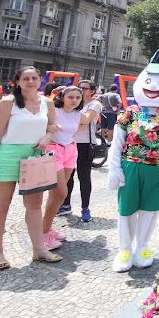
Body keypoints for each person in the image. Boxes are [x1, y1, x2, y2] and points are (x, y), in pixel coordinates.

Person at [108, 48, 159, 272]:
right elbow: (117, 141)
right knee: (126, 208)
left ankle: (142, 246)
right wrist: (114, 168)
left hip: (157, 169)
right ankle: (124, 248)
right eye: (149, 80)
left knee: (150, 209)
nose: (152, 86)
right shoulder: (130, 112)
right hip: (130, 166)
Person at [0, 66, 61, 269]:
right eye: (26, 78)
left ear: (40, 80)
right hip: (8, 155)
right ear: (18, 81)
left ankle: (39, 249)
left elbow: (52, 126)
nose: (31, 81)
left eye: (34, 78)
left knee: (34, 206)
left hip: (35, 155)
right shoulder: (9, 102)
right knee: (1, 205)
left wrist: (48, 137)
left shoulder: (48, 103)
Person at [42, 86, 92, 249]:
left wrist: (97, 106)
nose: (74, 100)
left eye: (78, 97)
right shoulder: (54, 111)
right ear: (62, 97)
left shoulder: (78, 114)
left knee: (57, 195)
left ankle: (48, 228)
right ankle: (43, 233)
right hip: (54, 149)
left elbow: (87, 120)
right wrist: (49, 131)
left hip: (70, 149)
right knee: (61, 192)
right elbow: (42, 123)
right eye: (70, 97)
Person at [60, 80, 102, 221]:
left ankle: (85, 207)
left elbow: (85, 121)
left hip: (85, 144)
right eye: (79, 88)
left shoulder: (94, 104)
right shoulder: (76, 104)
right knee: (67, 176)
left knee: (84, 176)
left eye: (85, 88)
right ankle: (65, 204)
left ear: (92, 91)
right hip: (69, 142)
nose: (81, 90)